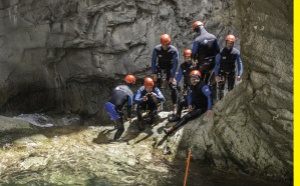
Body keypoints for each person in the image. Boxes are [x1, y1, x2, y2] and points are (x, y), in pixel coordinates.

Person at [163, 70, 212, 135]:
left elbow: (209, 96)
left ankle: (172, 129)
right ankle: (177, 117)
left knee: (187, 116)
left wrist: (209, 108)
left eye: (194, 79)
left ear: (198, 79)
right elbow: (190, 95)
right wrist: (189, 104)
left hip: (201, 107)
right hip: (195, 102)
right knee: (181, 102)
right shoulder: (192, 85)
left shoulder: (203, 86)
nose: (192, 81)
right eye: (191, 79)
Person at [192, 21, 220, 100]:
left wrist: (194, 61)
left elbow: (194, 53)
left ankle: (202, 101)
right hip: (213, 63)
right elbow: (218, 51)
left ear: (197, 30)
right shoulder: (213, 37)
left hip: (202, 64)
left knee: (200, 82)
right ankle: (214, 100)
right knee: (212, 82)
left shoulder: (198, 40)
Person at [151, 33, 179, 115]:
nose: (166, 46)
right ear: (161, 43)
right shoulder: (157, 49)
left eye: (168, 44)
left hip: (169, 68)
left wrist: (172, 76)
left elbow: (175, 64)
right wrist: (154, 72)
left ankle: (174, 105)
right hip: (160, 67)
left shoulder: (173, 50)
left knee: (172, 86)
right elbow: (153, 61)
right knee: (156, 85)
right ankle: (157, 104)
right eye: (164, 44)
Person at [168, 48, 199, 122]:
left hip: (195, 87)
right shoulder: (182, 66)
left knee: (192, 100)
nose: (187, 59)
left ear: (191, 57)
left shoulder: (194, 65)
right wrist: (175, 82)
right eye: (186, 58)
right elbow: (179, 76)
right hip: (187, 86)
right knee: (182, 100)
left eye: (188, 57)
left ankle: (193, 112)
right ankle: (178, 116)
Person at [104, 75, 136, 140]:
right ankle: (115, 140)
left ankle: (116, 125)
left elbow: (112, 95)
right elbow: (129, 106)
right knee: (121, 129)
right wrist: (129, 117)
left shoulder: (118, 87)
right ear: (133, 83)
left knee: (119, 114)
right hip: (114, 109)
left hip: (107, 105)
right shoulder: (130, 93)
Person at [214, 34, 243, 100]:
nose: (229, 44)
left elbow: (239, 63)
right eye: (228, 43)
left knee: (231, 89)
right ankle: (220, 103)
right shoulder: (221, 52)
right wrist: (216, 75)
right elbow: (217, 64)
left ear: (233, 44)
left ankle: (230, 103)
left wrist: (239, 74)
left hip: (231, 73)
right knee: (221, 90)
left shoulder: (236, 52)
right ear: (226, 42)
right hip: (222, 72)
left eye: (231, 43)